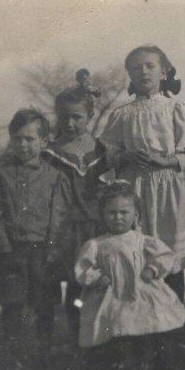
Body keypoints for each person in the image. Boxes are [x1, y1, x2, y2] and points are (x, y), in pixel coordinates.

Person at [98, 45, 185, 302]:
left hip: (169, 192)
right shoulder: (122, 114)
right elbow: (106, 152)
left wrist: (167, 159)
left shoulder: (176, 109)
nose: (143, 72)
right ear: (130, 75)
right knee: (135, 253)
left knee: (169, 257)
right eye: (136, 68)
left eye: (150, 66)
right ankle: (139, 317)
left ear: (164, 72)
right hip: (133, 190)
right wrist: (125, 157)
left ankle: (172, 321)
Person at [0, 109, 68, 370]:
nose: (23, 145)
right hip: (10, 250)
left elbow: (60, 215)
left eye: (30, 139)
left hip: (43, 251)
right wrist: (1, 245)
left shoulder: (55, 177)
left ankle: (44, 354)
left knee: (44, 302)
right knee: (12, 301)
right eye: (17, 139)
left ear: (44, 141)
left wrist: (53, 248)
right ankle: (13, 355)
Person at [74, 182, 185, 370]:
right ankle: (123, 367)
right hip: (111, 295)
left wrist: (152, 269)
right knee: (118, 328)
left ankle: (157, 365)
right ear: (102, 215)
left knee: (151, 324)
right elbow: (83, 268)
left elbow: (165, 257)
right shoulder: (97, 244)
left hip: (143, 291)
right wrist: (96, 277)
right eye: (112, 213)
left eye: (124, 212)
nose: (118, 217)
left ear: (135, 215)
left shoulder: (143, 240)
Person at [43, 69, 107, 344]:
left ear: (90, 118)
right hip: (66, 230)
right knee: (72, 283)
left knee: (96, 284)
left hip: (95, 227)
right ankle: (73, 340)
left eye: (77, 117)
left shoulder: (100, 151)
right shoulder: (51, 152)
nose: (69, 124)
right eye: (64, 117)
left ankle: (99, 338)